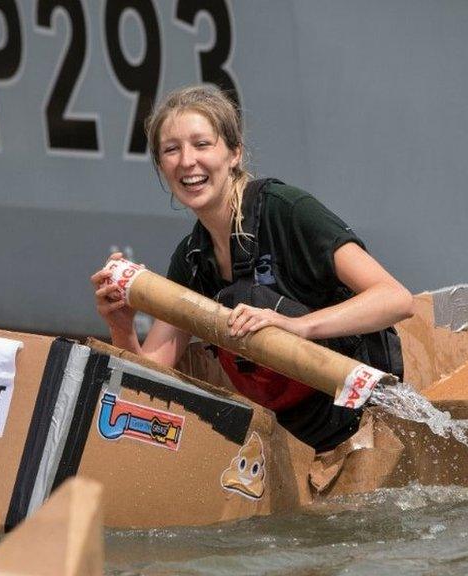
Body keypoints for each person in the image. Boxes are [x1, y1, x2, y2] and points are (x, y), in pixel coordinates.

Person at [91, 85, 413, 452]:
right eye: (171, 149)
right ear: (162, 167)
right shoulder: (192, 259)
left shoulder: (287, 210)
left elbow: (396, 299)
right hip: (290, 443)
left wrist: (297, 327)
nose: (186, 161)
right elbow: (149, 379)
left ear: (234, 153)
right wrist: (121, 323)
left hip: (362, 424)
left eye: (202, 144)